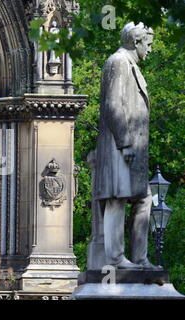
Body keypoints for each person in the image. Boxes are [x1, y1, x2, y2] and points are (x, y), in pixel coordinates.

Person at [94, 22, 160, 270]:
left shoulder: (131, 66)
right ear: (136, 42)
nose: (150, 50)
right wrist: (124, 143)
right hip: (120, 148)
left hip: (133, 151)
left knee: (144, 199)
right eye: (148, 44)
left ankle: (140, 259)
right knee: (117, 199)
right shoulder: (118, 62)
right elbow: (112, 105)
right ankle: (115, 260)